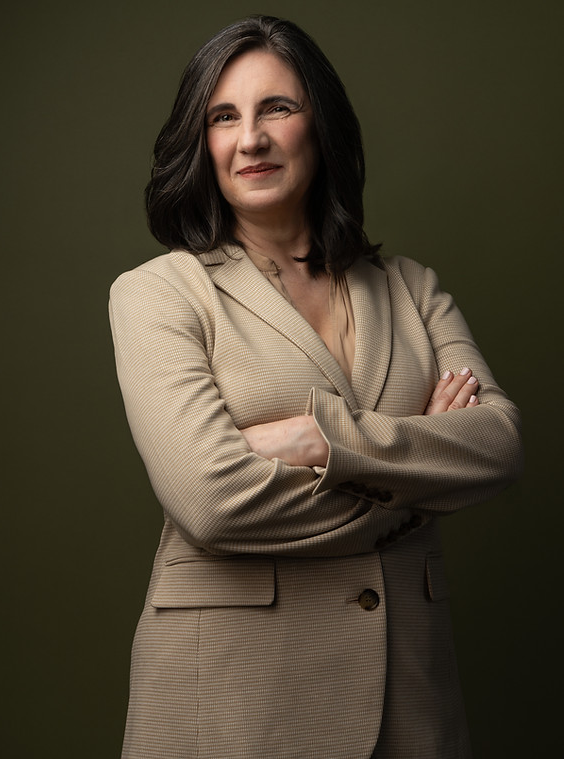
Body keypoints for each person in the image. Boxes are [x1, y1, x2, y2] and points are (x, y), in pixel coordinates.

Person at [109, 15, 523, 759]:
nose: (251, 139)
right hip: (233, 701)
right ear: (201, 143)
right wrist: (416, 481)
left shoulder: (411, 289)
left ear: (321, 124)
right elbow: (210, 499)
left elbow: (496, 445)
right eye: (223, 116)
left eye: (278, 108)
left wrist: (321, 441)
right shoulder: (157, 294)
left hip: (411, 696)